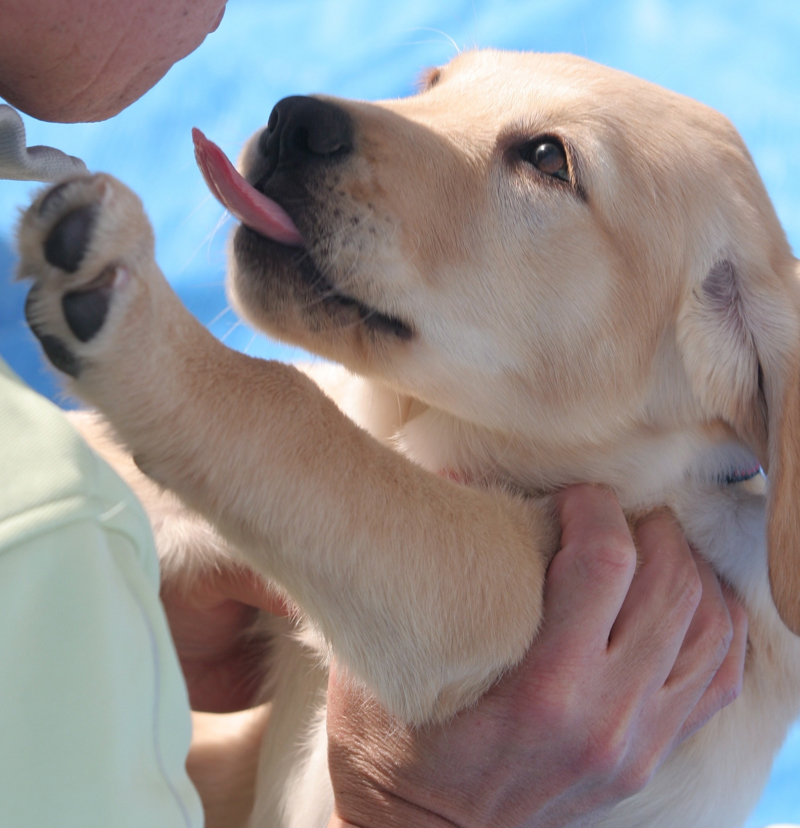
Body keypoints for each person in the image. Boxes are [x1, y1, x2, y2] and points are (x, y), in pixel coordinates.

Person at [0, 2, 746, 826]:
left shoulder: (650, 564)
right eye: (433, 86)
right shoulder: (49, 516)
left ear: (730, 372)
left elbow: (481, 606)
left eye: (545, 162)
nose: (344, 123)